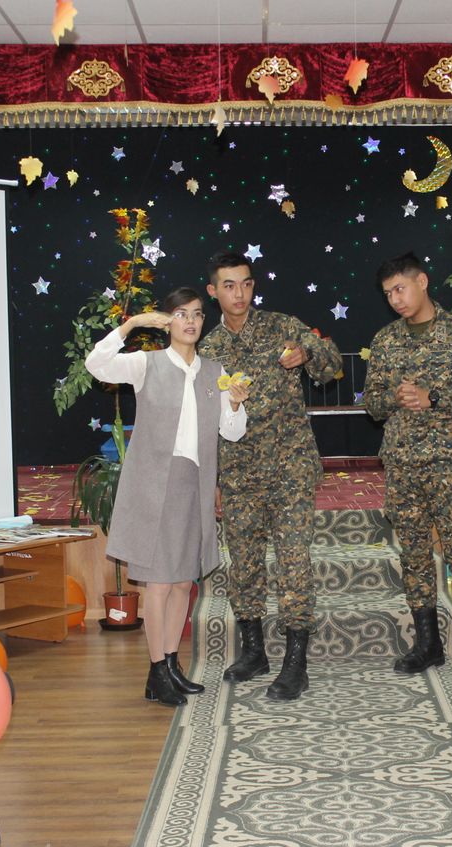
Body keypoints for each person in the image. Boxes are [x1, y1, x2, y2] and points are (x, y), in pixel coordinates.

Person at [85, 287, 248, 706]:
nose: (190, 321)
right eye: (181, 314)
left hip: (194, 484)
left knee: (180, 582)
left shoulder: (216, 371)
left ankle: (171, 664)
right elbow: (96, 364)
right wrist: (132, 324)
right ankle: (157, 669)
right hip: (153, 486)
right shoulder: (147, 363)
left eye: (197, 314)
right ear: (167, 321)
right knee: (158, 583)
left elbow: (232, 432)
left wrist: (235, 404)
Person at [198, 252, 341, 702]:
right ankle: (254, 651)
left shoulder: (283, 327)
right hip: (238, 473)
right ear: (213, 292)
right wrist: (214, 479)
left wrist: (308, 353)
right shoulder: (207, 351)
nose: (239, 294)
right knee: (244, 565)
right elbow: (206, 422)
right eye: (228, 286)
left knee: (294, 562)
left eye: (245, 283)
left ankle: (295, 663)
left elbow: (331, 363)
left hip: (289, 467)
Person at [363, 252, 452, 692]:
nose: (395, 299)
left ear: (422, 281)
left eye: (400, 288)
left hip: (450, 465)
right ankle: (427, 644)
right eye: (388, 293)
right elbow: (371, 403)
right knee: (414, 557)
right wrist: (393, 397)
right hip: (403, 464)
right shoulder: (385, 340)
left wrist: (435, 397)